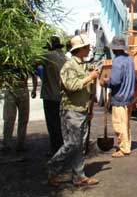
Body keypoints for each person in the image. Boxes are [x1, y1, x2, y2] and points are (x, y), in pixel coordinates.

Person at [48, 35, 99, 187]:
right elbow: (71, 85)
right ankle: (53, 168)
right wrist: (90, 77)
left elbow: (87, 88)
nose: (89, 49)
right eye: (87, 47)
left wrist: (90, 103)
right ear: (79, 50)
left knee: (80, 145)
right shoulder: (69, 66)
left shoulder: (83, 65)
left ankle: (79, 176)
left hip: (81, 110)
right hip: (71, 111)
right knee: (72, 144)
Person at [100, 36, 136, 157]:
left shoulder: (117, 61)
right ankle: (127, 145)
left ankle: (124, 148)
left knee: (119, 124)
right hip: (129, 97)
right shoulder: (130, 59)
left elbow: (115, 81)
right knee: (126, 124)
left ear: (115, 49)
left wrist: (106, 82)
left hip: (120, 97)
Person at [2, 65, 38, 152]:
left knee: (23, 119)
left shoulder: (25, 60)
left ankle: (20, 145)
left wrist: (34, 88)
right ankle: (7, 144)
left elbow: (33, 74)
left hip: (23, 89)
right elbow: (0, 73)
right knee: (9, 118)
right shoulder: (7, 61)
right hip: (11, 90)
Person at [41, 36, 66, 155]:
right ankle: (62, 147)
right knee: (61, 123)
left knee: (52, 124)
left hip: (50, 96)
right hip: (63, 95)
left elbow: (31, 60)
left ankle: (56, 150)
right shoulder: (64, 57)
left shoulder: (48, 56)